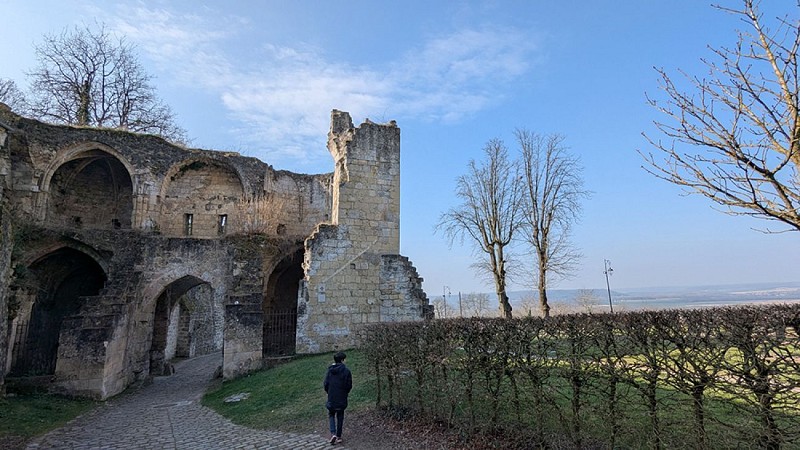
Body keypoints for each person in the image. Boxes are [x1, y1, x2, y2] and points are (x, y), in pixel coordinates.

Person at [323, 351, 352, 445]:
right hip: (342, 397)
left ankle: (333, 433)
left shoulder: (330, 371)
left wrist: (329, 392)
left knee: (331, 414)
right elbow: (349, 385)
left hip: (332, 396)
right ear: (342, 360)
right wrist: (345, 392)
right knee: (340, 415)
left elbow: (326, 384)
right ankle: (339, 436)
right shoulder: (346, 371)